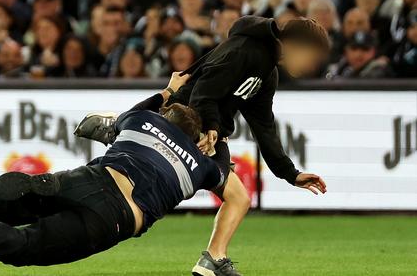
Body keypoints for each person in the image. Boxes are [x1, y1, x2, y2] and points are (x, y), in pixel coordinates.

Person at [0, 72, 235, 268]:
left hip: (94, 178)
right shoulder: (200, 166)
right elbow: (225, 172)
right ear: (195, 140)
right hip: (116, 215)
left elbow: (136, 109)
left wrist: (169, 90)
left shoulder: (142, 120)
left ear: (163, 117)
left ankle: (16, 197)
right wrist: (216, 136)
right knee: (27, 245)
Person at [79, 16, 331, 276]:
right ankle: (118, 125)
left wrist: (290, 173)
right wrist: (210, 127)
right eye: (312, 56)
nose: (313, 64)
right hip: (181, 122)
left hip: (207, 132)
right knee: (145, 189)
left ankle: (213, 259)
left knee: (238, 198)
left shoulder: (268, 74)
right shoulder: (246, 51)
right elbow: (203, 90)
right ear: (296, 45)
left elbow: (264, 127)